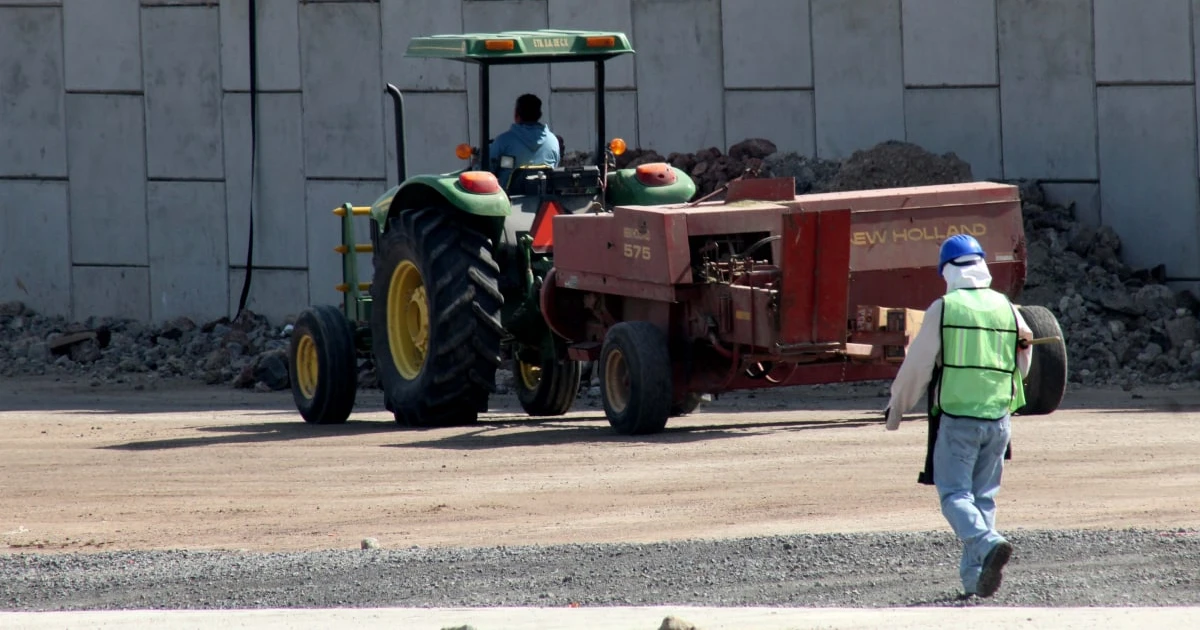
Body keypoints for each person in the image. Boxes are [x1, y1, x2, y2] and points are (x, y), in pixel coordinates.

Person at [883, 233, 1033, 599]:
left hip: (957, 419)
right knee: (982, 499)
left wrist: (896, 408)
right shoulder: (1007, 307)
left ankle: (988, 542)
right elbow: (1024, 359)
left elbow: (917, 365)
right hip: (999, 420)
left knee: (954, 495)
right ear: (981, 266)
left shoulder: (945, 308)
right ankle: (974, 580)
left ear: (947, 270)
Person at [488, 93, 561, 189]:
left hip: (509, 200)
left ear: (516, 114)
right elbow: (555, 166)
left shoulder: (503, 142)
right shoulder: (553, 141)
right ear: (539, 115)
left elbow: (487, 171)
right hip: (544, 196)